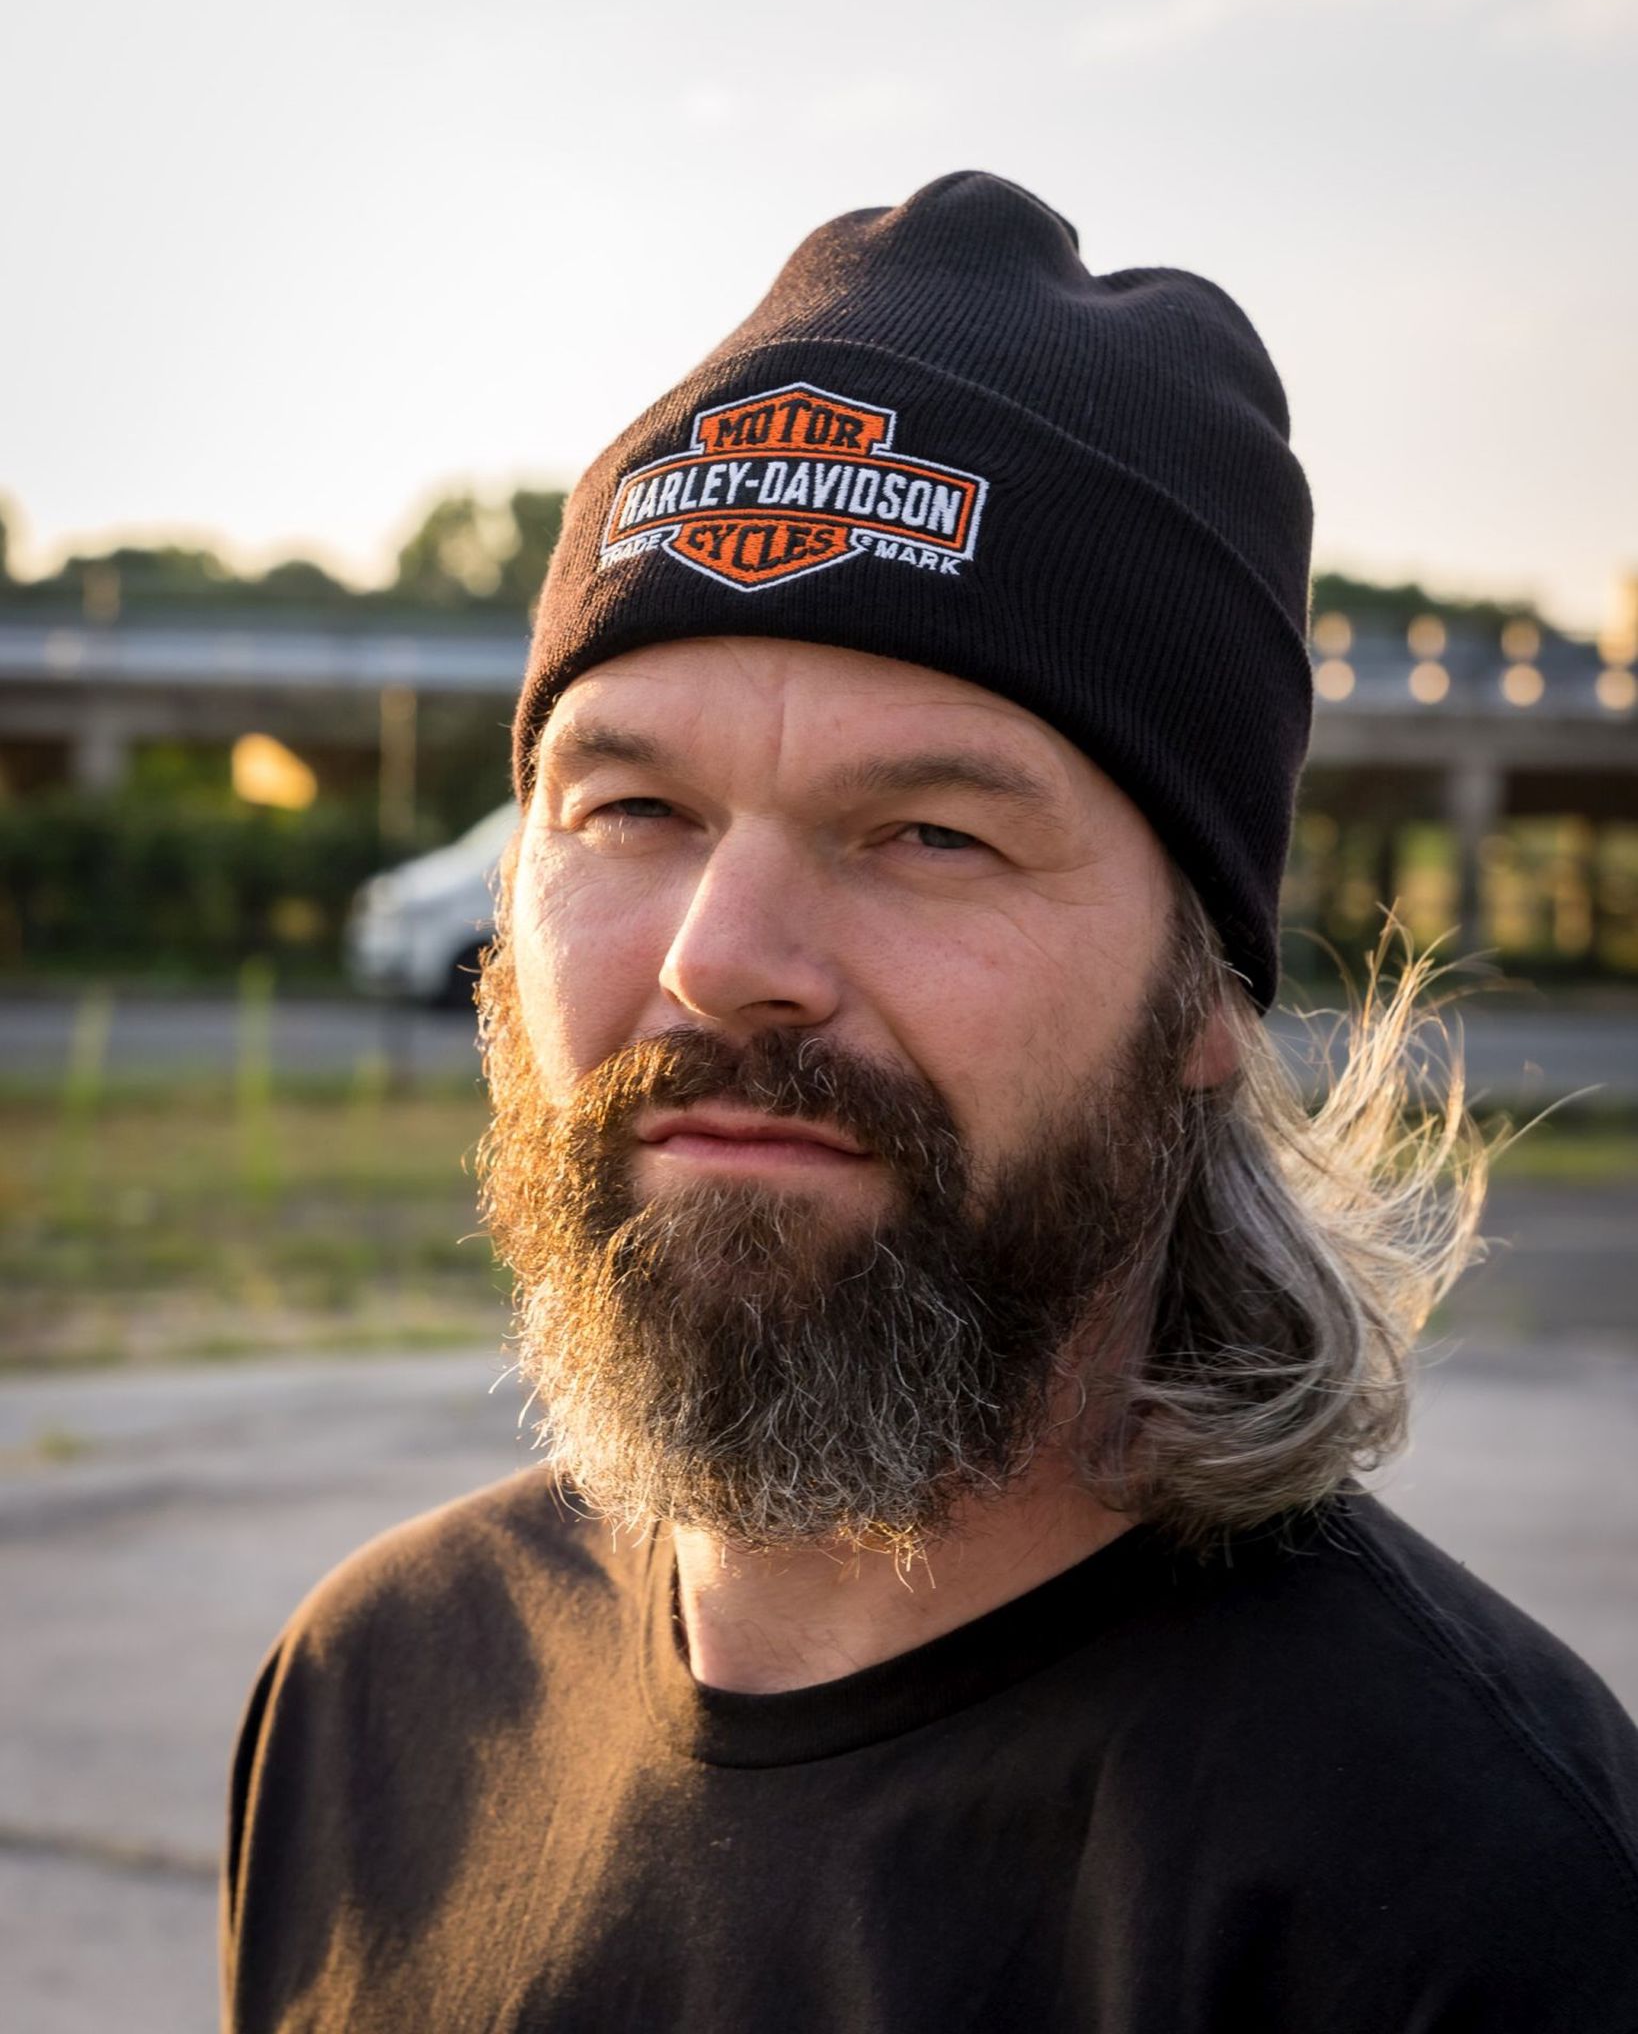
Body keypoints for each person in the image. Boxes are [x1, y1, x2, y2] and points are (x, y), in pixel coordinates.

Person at [221, 173, 1638, 2032]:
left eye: (931, 834)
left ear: (1204, 999)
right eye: (632, 810)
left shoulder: (1471, 1894)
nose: (724, 957)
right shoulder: (368, 1698)